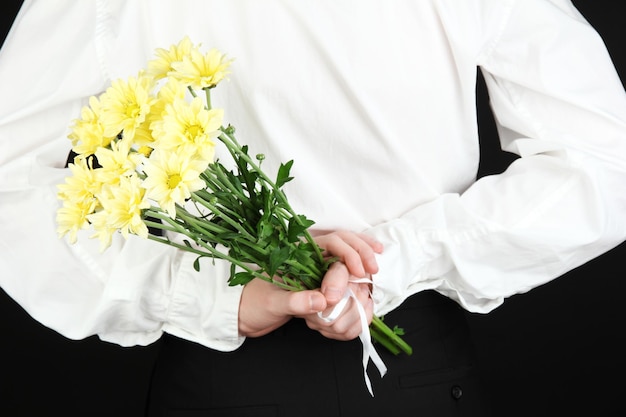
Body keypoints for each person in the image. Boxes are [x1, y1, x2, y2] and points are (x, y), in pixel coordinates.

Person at [1, 0, 626, 416]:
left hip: (335, 369)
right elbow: (606, 158)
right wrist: (390, 258)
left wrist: (215, 294)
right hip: (382, 371)